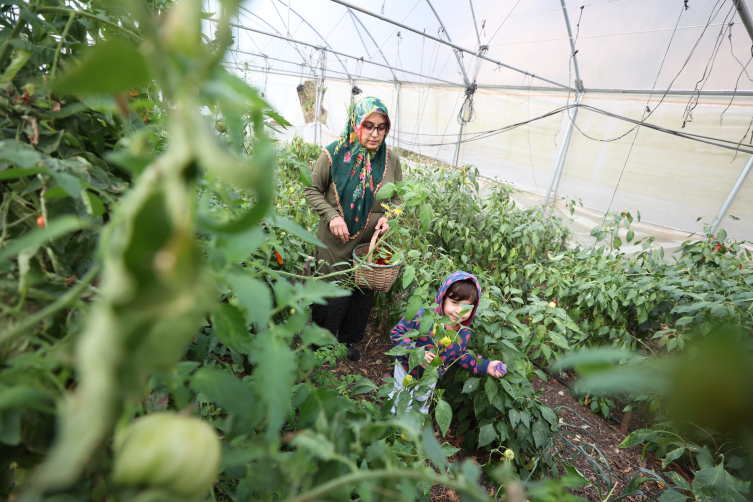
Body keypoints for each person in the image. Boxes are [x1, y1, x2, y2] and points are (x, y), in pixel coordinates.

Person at [304, 97, 402, 361]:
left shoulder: (391, 160)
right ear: (356, 124)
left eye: (381, 127)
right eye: (368, 125)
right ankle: (321, 338)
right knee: (333, 287)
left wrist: (389, 218)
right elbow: (311, 189)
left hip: (368, 244)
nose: (375, 133)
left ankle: (346, 338)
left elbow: (397, 198)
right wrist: (332, 216)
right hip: (335, 241)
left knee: (362, 291)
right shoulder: (333, 154)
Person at [388, 271, 507, 414]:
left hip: (431, 376)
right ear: (443, 298)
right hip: (406, 368)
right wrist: (416, 353)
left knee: (422, 404)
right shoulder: (423, 316)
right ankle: (395, 423)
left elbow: (460, 354)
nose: (459, 311)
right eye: (455, 302)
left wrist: (486, 365)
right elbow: (397, 333)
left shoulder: (462, 332)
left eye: (467, 307)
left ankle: (415, 427)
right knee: (401, 401)